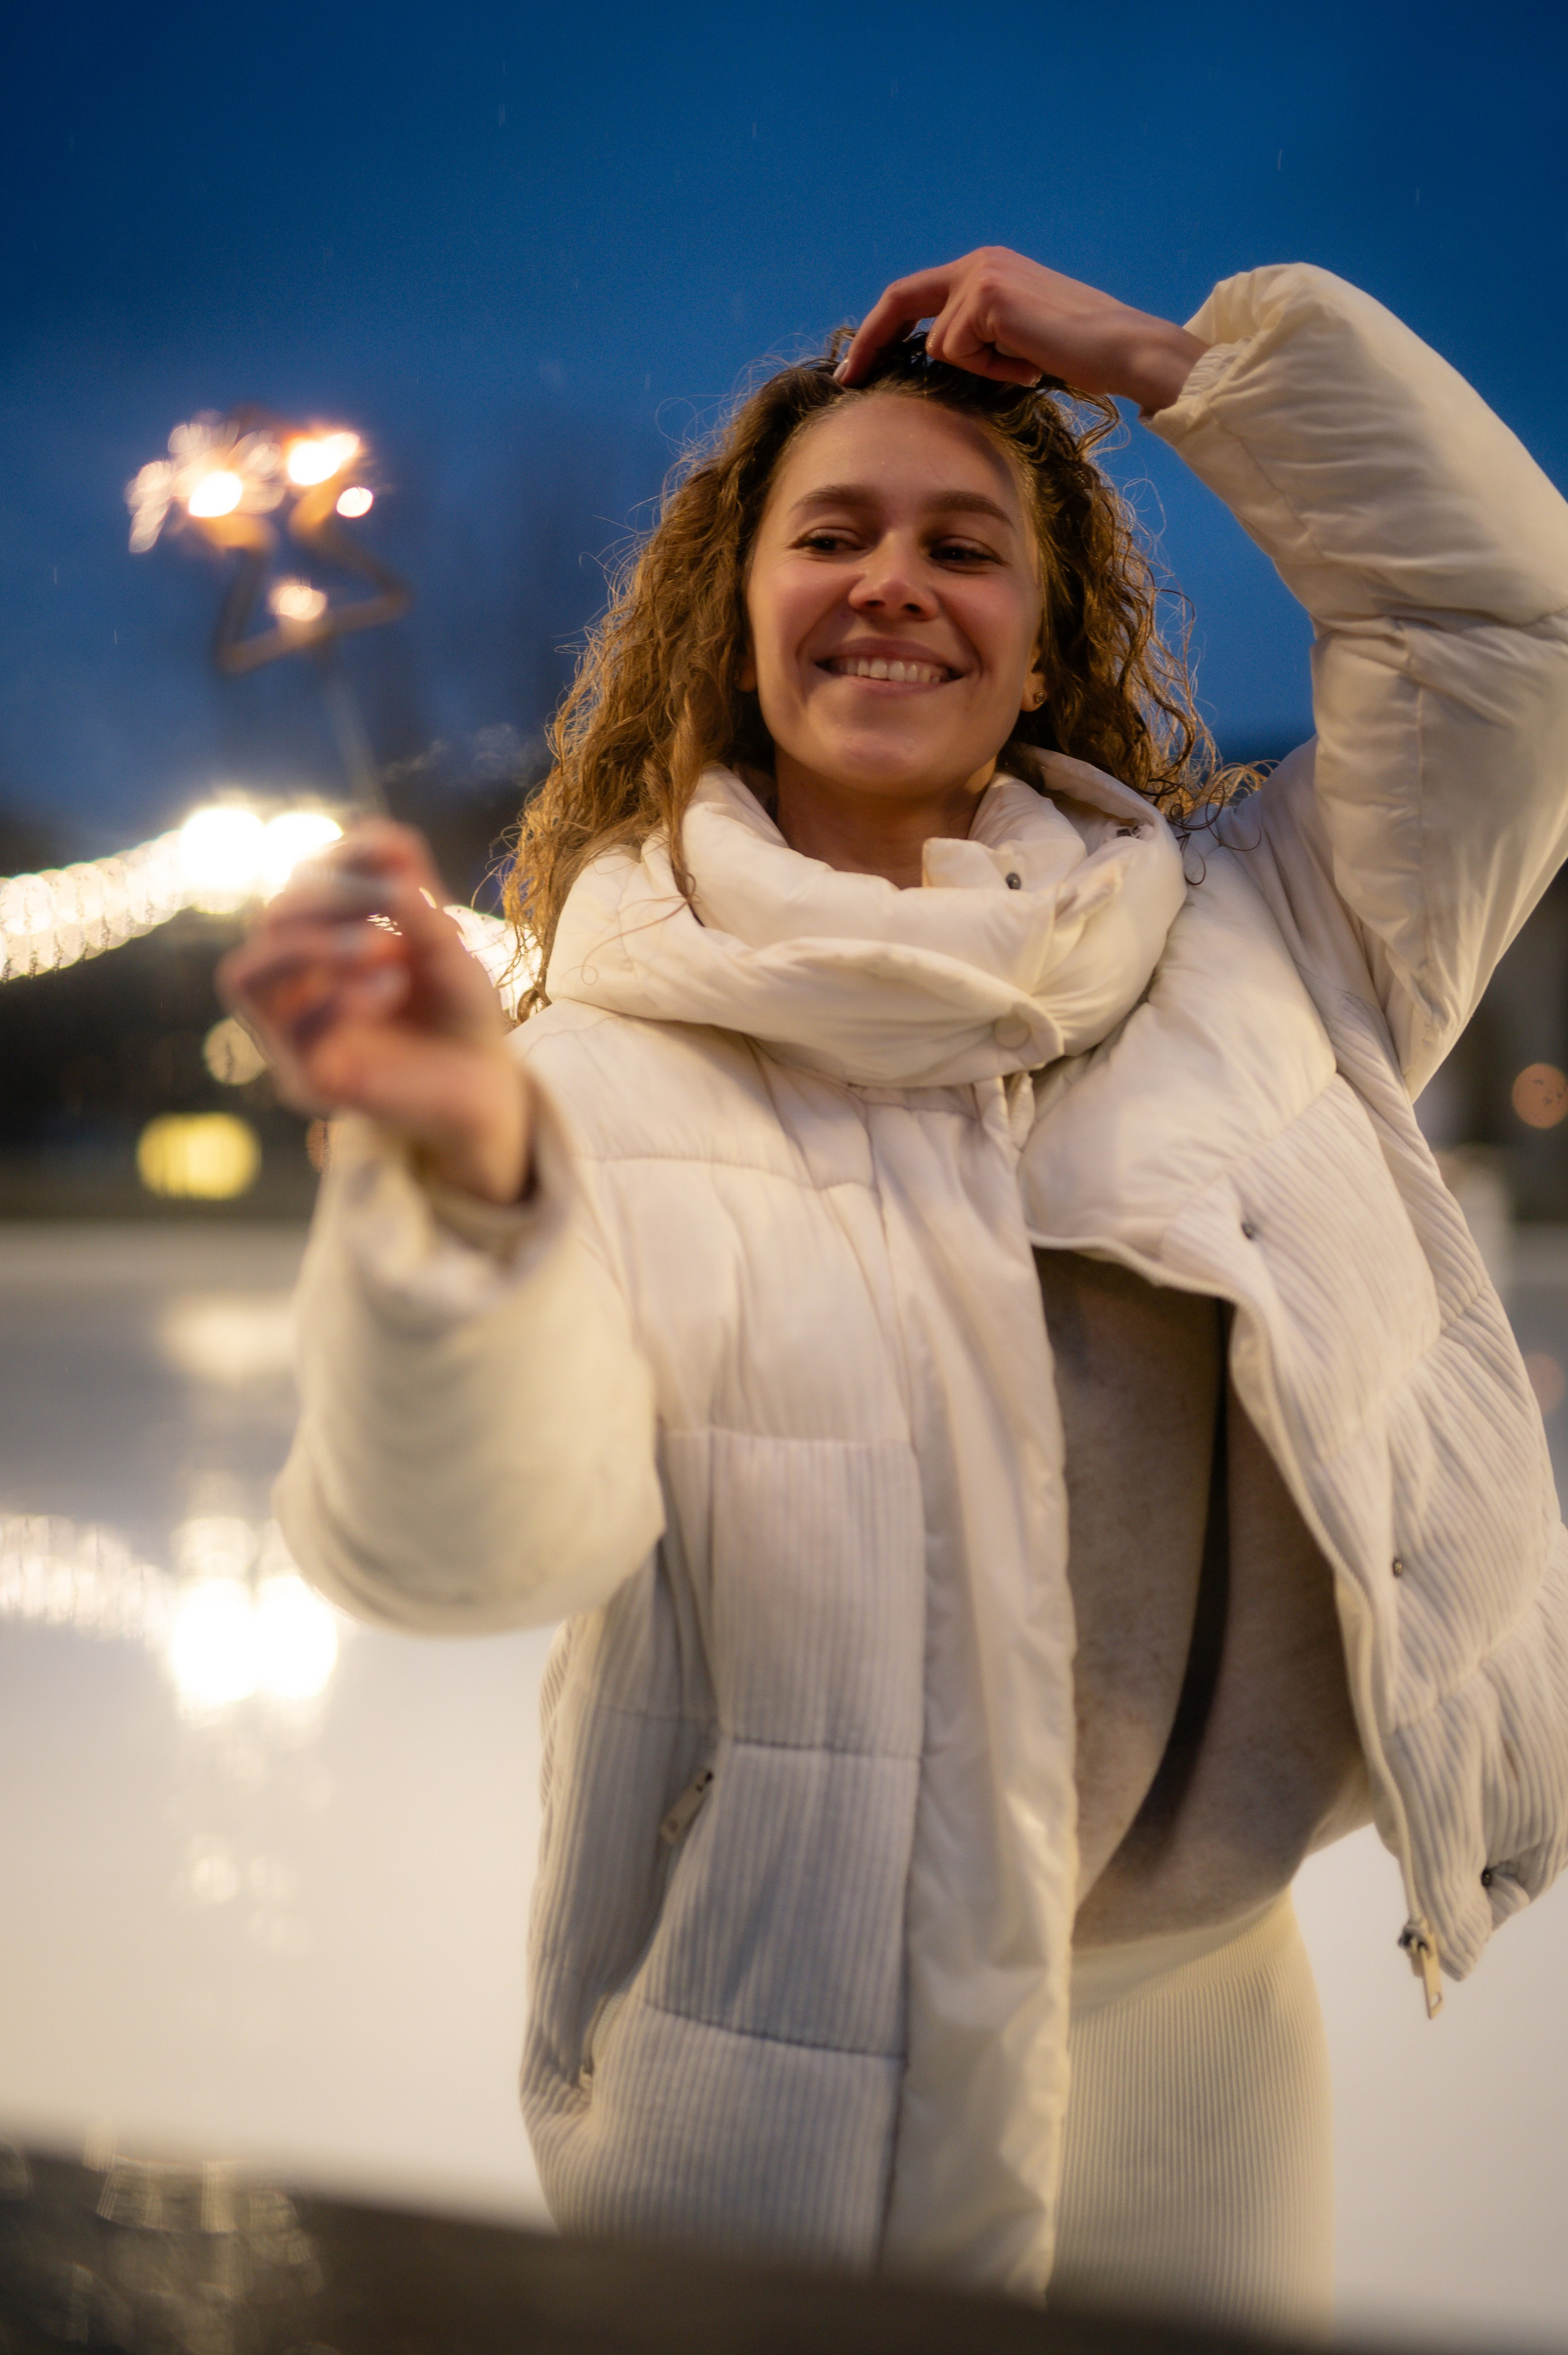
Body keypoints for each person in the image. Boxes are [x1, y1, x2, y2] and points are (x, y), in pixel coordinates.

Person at [221, 249, 1568, 2335]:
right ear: (736, 620)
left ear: (1044, 643)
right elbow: (469, 1548)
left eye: (969, 543)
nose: (894, 581)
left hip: (1197, 2026)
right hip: (775, 2085)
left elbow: (1513, 629)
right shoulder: (610, 1063)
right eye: (829, 534)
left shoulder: (1267, 946)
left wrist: (1183, 368)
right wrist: (468, 1185)